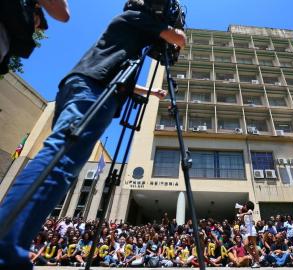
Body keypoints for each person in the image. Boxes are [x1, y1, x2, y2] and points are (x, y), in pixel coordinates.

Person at [0, 1, 186, 269]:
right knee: (61, 158)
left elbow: (121, 75)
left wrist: (151, 93)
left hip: (91, 87)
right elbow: (179, 39)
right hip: (92, 89)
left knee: (65, 163)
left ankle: (14, 239)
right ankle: (7, 243)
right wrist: (176, 27)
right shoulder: (135, 16)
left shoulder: (133, 32)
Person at [238, 201, 260, 268]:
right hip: (248, 230)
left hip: (251, 229)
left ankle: (257, 262)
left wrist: (243, 214)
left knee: (254, 245)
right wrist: (240, 213)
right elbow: (242, 221)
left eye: (245, 205)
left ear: (248, 206)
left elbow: (249, 213)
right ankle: (254, 258)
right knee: (246, 245)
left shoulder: (250, 210)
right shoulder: (245, 213)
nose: (244, 206)